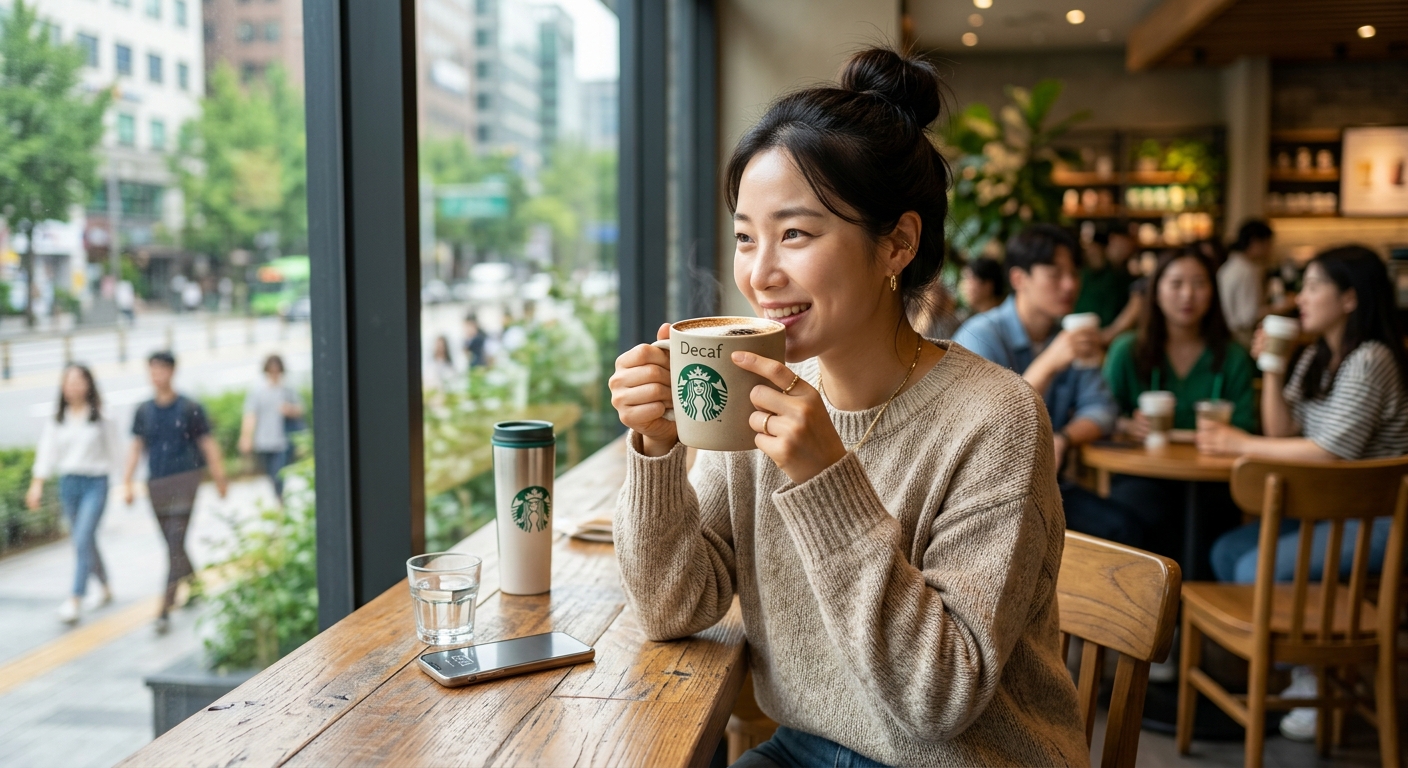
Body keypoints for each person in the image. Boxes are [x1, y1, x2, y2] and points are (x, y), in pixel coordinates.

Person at [609, 48, 1086, 767]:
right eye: (745, 237)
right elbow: (675, 607)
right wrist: (655, 453)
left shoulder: (996, 419)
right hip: (808, 748)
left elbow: (940, 697)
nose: (760, 273)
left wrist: (824, 475)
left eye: (795, 234)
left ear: (896, 243)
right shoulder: (757, 397)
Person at [1200, 245, 1408, 742]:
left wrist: (1239, 444)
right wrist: (1271, 365)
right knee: (1226, 551)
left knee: (1253, 567)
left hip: (1377, 521)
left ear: (1350, 298)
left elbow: (1329, 453)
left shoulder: (1371, 358)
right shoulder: (1319, 354)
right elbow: (1283, 430)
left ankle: (1311, 677)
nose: (1301, 297)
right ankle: (1299, 662)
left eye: (1314, 285)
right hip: (1329, 517)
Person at [954, 224, 1141, 546]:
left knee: (1129, 528)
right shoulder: (980, 336)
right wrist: (1049, 362)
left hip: (1042, 487)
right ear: (1019, 279)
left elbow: (1102, 408)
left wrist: (1064, 438)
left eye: (1074, 273)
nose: (1070, 285)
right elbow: (984, 423)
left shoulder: (1066, 337)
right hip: (981, 493)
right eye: (1055, 274)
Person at [1102, 248, 1256, 566]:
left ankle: (1191, 609)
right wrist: (1125, 425)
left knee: (1209, 509)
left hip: (1213, 476)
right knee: (1143, 508)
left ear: (1213, 292)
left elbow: (1248, 424)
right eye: (1176, 284)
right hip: (1143, 472)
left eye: (1199, 283)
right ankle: (1154, 609)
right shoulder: (1127, 351)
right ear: (1155, 291)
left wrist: (1229, 431)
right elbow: (1102, 412)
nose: (1188, 294)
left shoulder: (1233, 356)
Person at [123, 351, 228, 633]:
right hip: (156, 484)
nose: (157, 375)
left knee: (173, 542)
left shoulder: (190, 407)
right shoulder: (143, 410)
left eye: (161, 369)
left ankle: (164, 609)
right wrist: (127, 482)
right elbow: (136, 447)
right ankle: (195, 585)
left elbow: (207, 442)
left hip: (185, 481)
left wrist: (220, 477)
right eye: (152, 369)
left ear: (172, 371)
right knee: (174, 544)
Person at [27, 365, 123, 624]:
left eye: (79, 381)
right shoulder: (58, 417)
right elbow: (47, 452)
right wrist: (37, 484)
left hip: (96, 483)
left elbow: (116, 452)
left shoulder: (103, 415)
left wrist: (123, 483)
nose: (74, 386)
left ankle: (75, 597)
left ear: (89, 384)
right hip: (69, 484)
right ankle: (104, 585)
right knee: (86, 540)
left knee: (82, 538)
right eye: (69, 381)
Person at [238, 354, 303, 501]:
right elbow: (250, 415)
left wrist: (289, 410)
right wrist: (246, 437)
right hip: (264, 441)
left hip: (282, 441)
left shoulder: (287, 390)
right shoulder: (258, 391)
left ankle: (280, 501)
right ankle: (278, 500)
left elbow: (300, 409)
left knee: (279, 473)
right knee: (271, 475)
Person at [1218, 219, 1274, 347]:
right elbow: (1247, 317)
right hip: (1241, 341)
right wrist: (1281, 307)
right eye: (1268, 244)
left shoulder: (1229, 266)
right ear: (1255, 242)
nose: (1270, 249)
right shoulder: (1246, 271)